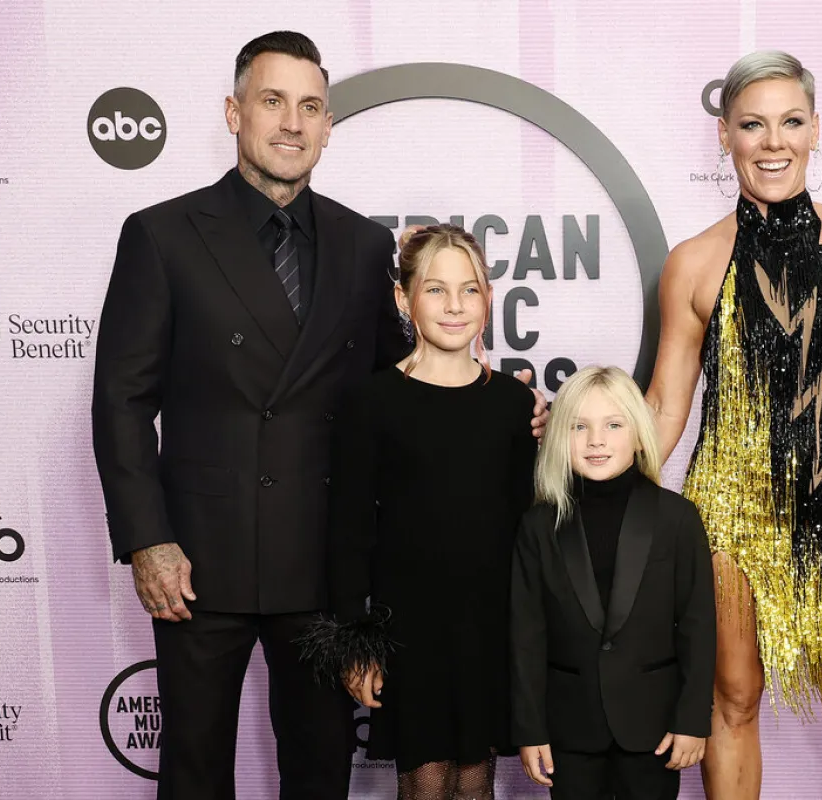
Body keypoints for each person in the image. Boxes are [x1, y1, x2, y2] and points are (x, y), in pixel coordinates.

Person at [91, 32, 547, 800]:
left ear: (328, 126)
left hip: (321, 564)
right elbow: (122, 400)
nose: (292, 123)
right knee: (194, 769)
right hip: (199, 560)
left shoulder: (362, 243)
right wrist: (148, 539)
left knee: (319, 771)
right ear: (234, 113)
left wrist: (502, 402)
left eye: (310, 107)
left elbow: (404, 379)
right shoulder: (162, 234)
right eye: (273, 101)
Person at [645, 50, 822, 799]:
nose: (773, 143)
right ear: (724, 134)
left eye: (791, 122)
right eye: (752, 125)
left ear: (815, 130)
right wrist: (594, 475)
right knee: (731, 702)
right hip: (728, 516)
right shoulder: (693, 262)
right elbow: (665, 405)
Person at [299, 223, 538, 799]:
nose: (455, 306)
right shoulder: (371, 400)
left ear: (488, 298)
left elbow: (527, 524)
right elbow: (349, 529)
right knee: (426, 783)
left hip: (490, 624)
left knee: (477, 781)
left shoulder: (515, 403)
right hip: (408, 627)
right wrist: (357, 643)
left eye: (469, 289)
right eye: (436, 289)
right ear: (403, 299)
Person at [511, 366, 716, 800]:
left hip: (654, 729)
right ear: (557, 437)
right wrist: (529, 729)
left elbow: (697, 627)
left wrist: (692, 719)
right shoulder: (539, 525)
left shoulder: (677, 518)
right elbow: (526, 634)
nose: (596, 441)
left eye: (613, 425)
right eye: (579, 427)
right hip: (569, 729)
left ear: (639, 434)